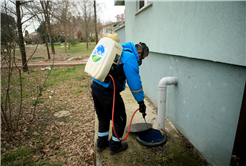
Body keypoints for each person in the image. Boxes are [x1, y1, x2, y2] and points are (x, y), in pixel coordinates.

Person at [91, 41, 149, 155]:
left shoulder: (119, 49)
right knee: (120, 118)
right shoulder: (130, 57)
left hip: (95, 87)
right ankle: (115, 146)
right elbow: (135, 85)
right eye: (143, 57)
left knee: (103, 117)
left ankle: (101, 143)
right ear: (139, 52)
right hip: (108, 92)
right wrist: (141, 102)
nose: (141, 60)